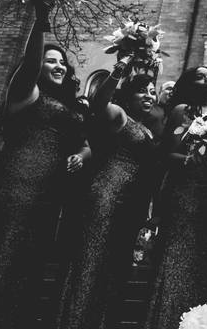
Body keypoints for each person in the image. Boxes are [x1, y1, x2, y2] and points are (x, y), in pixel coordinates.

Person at [0, 0, 87, 329]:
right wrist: (42, 19)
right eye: (51, 60)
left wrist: (81, 154)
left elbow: (85, 144)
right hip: (17, 184)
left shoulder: (70, 106)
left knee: (28, 261)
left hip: (49, 193)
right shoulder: (26, 93)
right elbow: (29, 64)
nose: (59, 66)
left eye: (62, 62)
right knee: (3, 252)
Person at [57, 56, 159, 329]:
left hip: (130, 204)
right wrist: (118, 72)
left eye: (153, 92)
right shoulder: (118, 115)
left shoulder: (147, 128)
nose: (150, 96)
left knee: (111, 268)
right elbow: (99, 103)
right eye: (143, 91)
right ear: (129, 94)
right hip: (106, 195)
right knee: (90, 261)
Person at [145, 66, 207, 329]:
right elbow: (165, 154)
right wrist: (193, 159)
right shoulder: (182, 111)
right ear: (190, 84)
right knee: (180, 261)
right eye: (201, 77)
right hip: (187, 194)